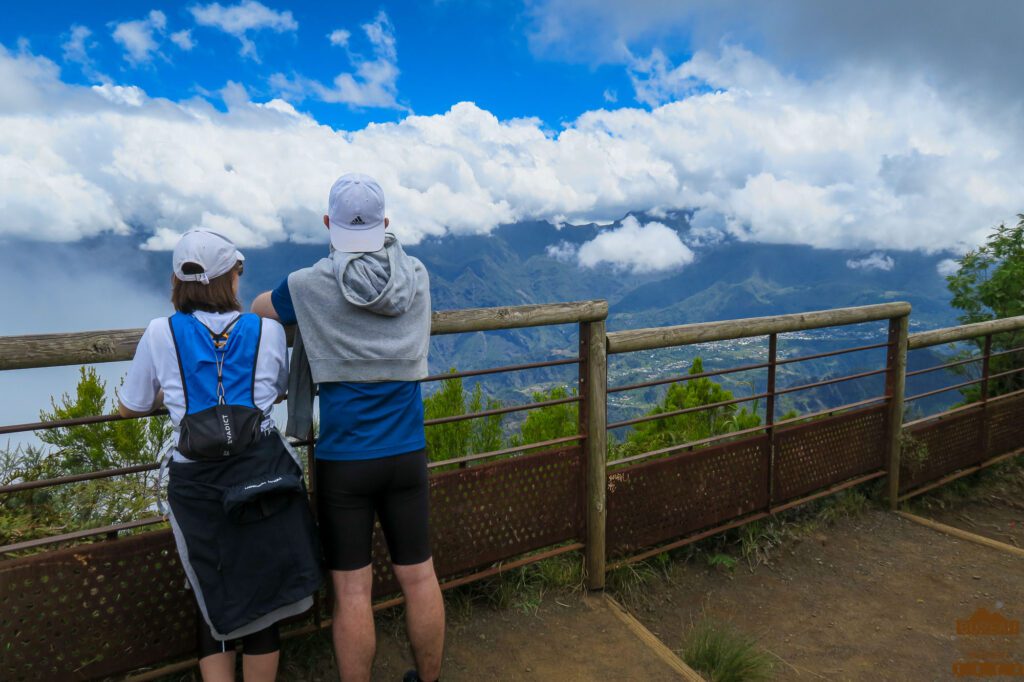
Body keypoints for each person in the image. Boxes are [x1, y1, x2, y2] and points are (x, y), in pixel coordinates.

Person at [252, 173, 444, 682]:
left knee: (354, 591)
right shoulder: (417, 275)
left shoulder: (308, 285)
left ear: (326, 224)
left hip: (345, 460)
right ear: (385, 224)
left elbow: (257, 311)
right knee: (420, 577)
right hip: (408, 452)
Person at [118, 229, 321, 682]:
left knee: (213, 589)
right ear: (231, 278)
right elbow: (277, 389)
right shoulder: (267, 330)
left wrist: (168, 399)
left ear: (178, 282)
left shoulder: (158, 333)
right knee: (264, 596)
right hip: (262, 470)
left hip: (196, 485)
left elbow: (131, 404)